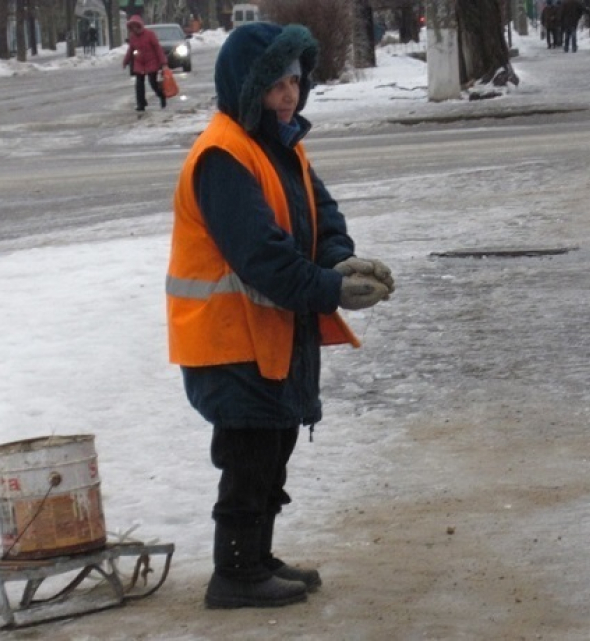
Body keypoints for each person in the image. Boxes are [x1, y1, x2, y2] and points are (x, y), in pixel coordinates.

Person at [166, 22, 395, 609]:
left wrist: (340, 262)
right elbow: (261, 256)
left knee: (273, 446)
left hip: (268, 334)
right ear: (248, 85)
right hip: (228, 340)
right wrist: (328, 291)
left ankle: (257, 556)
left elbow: (322, 214)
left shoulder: (280, 143)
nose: (289, 93)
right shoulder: (223, 155)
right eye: (275, 83)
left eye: (295, 81)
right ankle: (235, 572)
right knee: (248, 454)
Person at [122, 15, 168, 111]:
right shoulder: (133, 37)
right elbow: (131, 50)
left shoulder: (150, 34)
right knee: (139, 84)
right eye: (132, 27)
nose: (134, 29)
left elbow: (157, 48)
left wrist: (163, 63)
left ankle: (161, 95)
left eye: (136, 26)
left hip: (152, 61)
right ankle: (141, 103)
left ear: (139, 26)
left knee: (153, 83)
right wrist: (126, 61)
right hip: (139, 62)